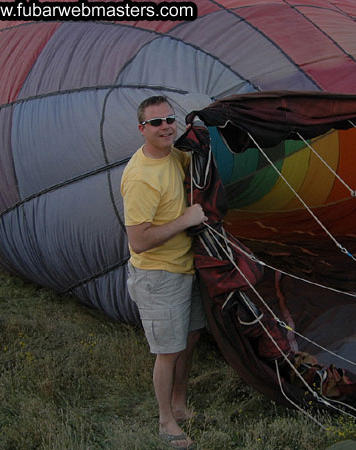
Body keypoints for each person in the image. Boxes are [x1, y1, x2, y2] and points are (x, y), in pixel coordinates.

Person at [120, 95, 207, 449]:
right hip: (158, 275)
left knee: (190, 339)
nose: (165, 126)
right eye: (156, 123)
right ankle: (165, 421)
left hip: (184, 266)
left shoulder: (175, 155)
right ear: (142, 129)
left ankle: (179, 405)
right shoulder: (141, 178)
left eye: (170, 119)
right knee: (168, 351)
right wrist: (185, 219)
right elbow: (139, 240)